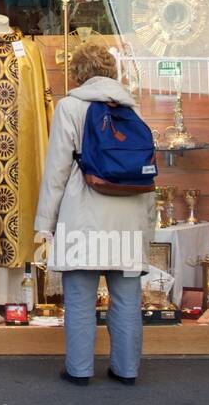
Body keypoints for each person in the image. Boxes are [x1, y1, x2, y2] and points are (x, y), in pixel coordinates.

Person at [34, 43, 154, 386]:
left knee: (80, 299)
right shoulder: (133, 108)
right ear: (112, 72)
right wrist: (148, 227)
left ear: (77, 73)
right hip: (128, 214)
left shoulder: (70, 107)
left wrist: (44, 224)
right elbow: (145, 171)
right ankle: (127, 369)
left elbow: (57, 170)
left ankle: (80, 369)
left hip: (83, 213)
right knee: (127, 299)